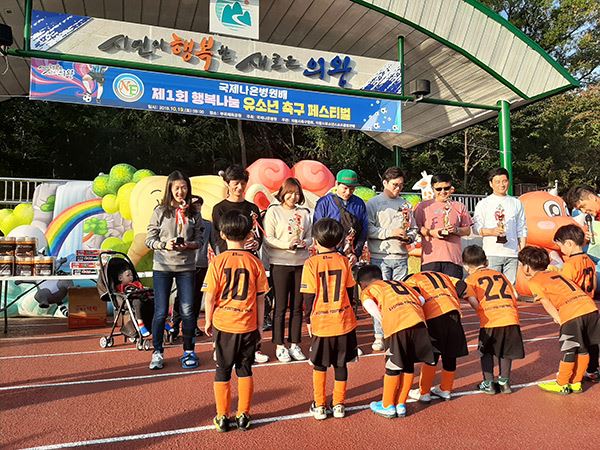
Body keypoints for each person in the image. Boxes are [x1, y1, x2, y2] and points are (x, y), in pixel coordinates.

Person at [202, 211, 269, 432]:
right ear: (249, 233)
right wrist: (259, 325)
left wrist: (208, 320)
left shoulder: (217, 262)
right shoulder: (255, 262)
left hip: (224, 324)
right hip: (248, 324)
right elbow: (261, 299)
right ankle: (243, 414)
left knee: (222, 369)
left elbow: (210, 296)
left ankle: (222, 416)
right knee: (245, 368)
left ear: (222, 233)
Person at [519, 245, 600, 395]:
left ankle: (562, 383)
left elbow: (546, 302)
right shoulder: (555, 273)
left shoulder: (534, 281)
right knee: (583, 348)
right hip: (590, 307)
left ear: (527, 267)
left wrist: (558, 319)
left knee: (569, 348)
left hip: (571, 312)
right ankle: (575, 382)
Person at [357, 265, 434, 419]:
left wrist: (385, 321)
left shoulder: (368, 290)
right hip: (418, 322)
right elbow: (421, 299)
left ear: (362, 284)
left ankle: (387, 405)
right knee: (408, 364)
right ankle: (401, 404)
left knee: (393, 366)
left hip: (397, 324)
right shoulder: (400, 284)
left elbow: (370, 307)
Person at [145, 171, 203, 370]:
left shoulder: (194, 212)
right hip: (162, 267)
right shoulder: (160, 211)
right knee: (161, 311)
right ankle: (157, 351)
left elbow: (200, 240)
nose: (181, 191)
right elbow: (149, 240)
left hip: (186, 267)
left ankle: (188, 351)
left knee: (187, 310)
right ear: (170, 189)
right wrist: (164, 245)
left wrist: (188, 245)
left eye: (184, 187)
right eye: (177, 188)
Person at [301, 218, 358, 420]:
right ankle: (339, 404)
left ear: (315, 240)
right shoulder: (343, 261)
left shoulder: (311, 263)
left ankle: (319, 404)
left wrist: (308, 319)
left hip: (321, 322)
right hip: (343, 320)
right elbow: (351, 291)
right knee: (341, 364)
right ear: (339, 240)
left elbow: (308, 296)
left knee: (319, 364)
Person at [211, 165, 269, 364]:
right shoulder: (219, 208)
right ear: (227, 184)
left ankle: (255, 346)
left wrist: (255, 243)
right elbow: (218, 239)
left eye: (243, 184)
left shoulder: (252, 208)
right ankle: (219, 345)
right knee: (225, 303)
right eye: (236, 184)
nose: (240, 187)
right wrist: (230, 252)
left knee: (253, 301)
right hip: (228, 262)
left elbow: (259, 234)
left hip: (250, 261)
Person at [366, 167, 417, 352]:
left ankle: (398, 332)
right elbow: (369, 230)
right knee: (380, 298)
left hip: (401, 257)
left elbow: (413, 229)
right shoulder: (373, 203)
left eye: (401, 185)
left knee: (401, 298)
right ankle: (379, 334)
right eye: (395, 185)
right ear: (385, 183)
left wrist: (408, 237)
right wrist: (390, 233)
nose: (398, 189)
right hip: (380, 257)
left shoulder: (406, 205)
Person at [463, 245, 524, 394]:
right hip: (510, 316)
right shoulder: (500, 275)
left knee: (486, 351)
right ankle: (504, 382)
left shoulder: (470, 279)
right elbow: (515, 295)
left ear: (465, 266)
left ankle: (488, 383)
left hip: (491, 319)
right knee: (506, 352)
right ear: (486, 262)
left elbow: (473, 301)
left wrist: (481, 310)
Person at [263, 178, 311, 363]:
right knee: (280, 307)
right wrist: (287, 245)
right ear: (282, 192)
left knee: (298, 306)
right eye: (290, 192)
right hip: (280, 263)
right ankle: (280, 345)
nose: (294, 196)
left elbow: (311, 236)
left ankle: (295, 343)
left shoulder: (305, 213)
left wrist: (304, 243)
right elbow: (269, 238)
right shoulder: (273, 211)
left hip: (301, 263)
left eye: (297, 193)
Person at [404, 271, 468, 401]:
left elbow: (415, 297)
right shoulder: (443, 275)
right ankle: (446, 389)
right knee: (450, 353)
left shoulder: (412, 280)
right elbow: (462, 285)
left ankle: (424, 392)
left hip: (434, 315)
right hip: (453, 312)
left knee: (432, 354)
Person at [553, 225, 599, 382]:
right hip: (590, 305)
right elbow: (594, 283)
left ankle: (570, 376)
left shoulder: (570, 265)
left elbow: (565, 288)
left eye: (560, 246)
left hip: (575, 308)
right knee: (593, 342)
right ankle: (592, 370)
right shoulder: (590, 261)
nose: (560, 249)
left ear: (569, 243)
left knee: (575, 344)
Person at [472, 168, 527, 284]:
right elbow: (476, 228)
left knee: (510, 287)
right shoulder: (484, 204)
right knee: (493, 287)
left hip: (512, 253)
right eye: (497, 182)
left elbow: (521, 228)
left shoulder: (516, 203)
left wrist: (522, 250)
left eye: (504, 181)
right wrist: (492, 232)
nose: (502, 185)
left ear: (509, 182)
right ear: (491, 184)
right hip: (492, 253)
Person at [414, 173, 472, 279]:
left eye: (446, 188)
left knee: (452, 294)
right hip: (430, 259)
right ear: (432, 189)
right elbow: (417, 228)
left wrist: (456, 230)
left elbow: (467, 230)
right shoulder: (422, 206)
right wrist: (432, 233)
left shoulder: (459, 206)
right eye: (438, 189)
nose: (443, 192)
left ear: (451, 188)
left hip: (453, 259)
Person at [172, 195, 214, 338]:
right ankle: (175, 325)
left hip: (201, 265)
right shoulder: (182, 222)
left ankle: (192, 325)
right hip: (183, 265)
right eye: (194, 204)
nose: (197, 207)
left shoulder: (208, 225)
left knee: (197, 297)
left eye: (199, 205)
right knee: (182, 297)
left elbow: (215, 244)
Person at [313, 169, 368, 267]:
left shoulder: (359, 203)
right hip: (327, 257)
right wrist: (327, 252)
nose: (348, 192)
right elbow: (318, 230)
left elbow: (363, 230)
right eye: (345, 188)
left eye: (352, 189)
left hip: (349, 257)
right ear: (336, 184)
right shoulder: (324, 203)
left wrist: (356, 254)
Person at [115, 267, 151, 337]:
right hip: (129, 302)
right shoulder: (120, 286)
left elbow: (143, 289)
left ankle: (161, 322)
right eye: (128, 275)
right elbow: (121, 296)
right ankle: (140, 324)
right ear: (120, 278)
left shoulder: (137, 283)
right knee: (137, 302)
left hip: (142, 299)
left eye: (132, 275)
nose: (131, 277)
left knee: (154, 300)